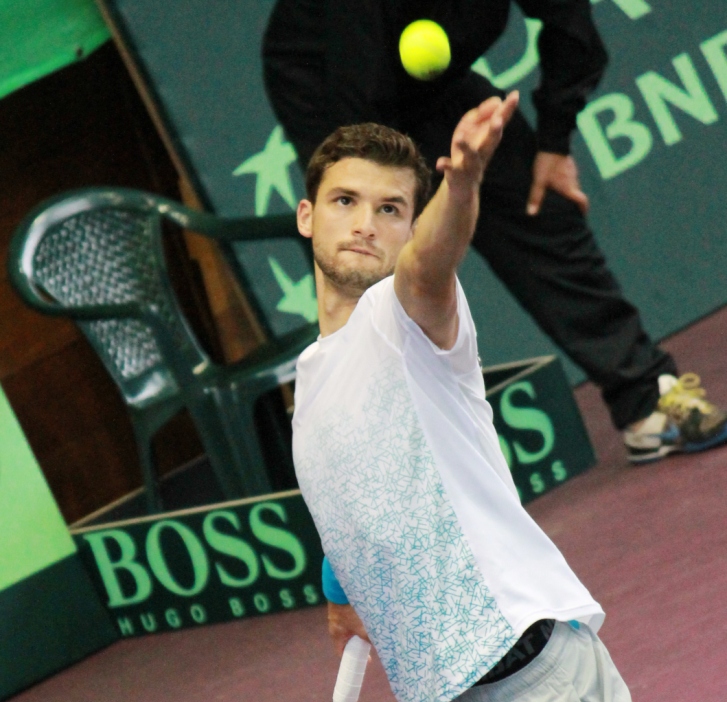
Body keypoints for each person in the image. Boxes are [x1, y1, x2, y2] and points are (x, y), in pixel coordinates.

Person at [290, 96, 696, 702]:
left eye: (391, 208)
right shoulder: (309, 388)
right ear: (307, 216)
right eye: (346, 201)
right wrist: (340, 583)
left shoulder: (408, 316)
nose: (367, 223)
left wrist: (464, 179)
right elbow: (360, 507)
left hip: (539, 695)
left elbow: (431, 261)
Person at [265, 0, 727, 464]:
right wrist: (392, 202)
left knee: (537, 209)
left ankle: (647, 402)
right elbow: (358, 95)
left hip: (437, 87)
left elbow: (570, 24)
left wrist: (553, 143)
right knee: (374, 262)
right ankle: (395, 458)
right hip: (327, 83)